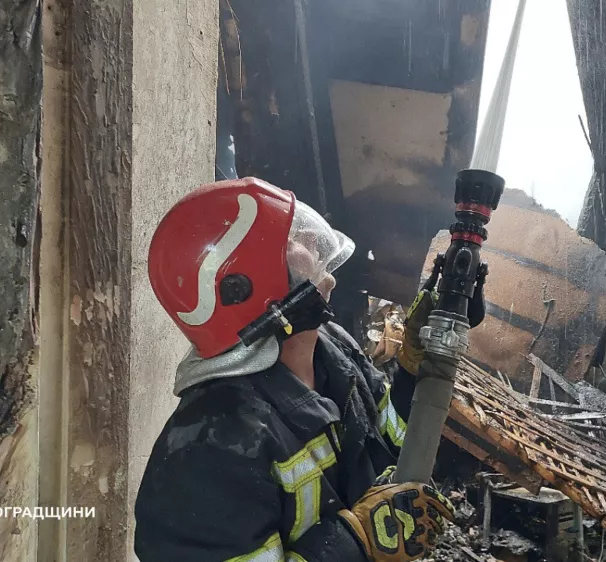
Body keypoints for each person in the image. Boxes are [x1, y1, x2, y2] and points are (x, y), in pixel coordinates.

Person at [134, 177, 453, 562]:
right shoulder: (204, 452)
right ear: (247, 289)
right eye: (290, 242)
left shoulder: (331, 346)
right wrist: (359, 541)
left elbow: (391, 437)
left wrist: (414, 371)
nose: (314, 244)